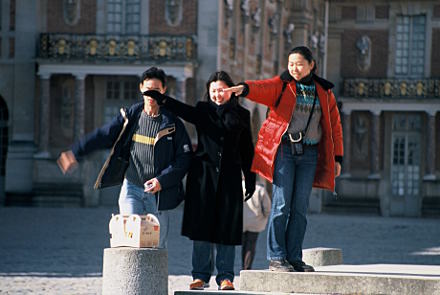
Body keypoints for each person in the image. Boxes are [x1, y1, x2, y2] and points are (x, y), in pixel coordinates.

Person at [225, 46, 343, 272]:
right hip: (285, 151)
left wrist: (338, 157)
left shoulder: (325, 92)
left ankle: (294, 256)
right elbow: (263, 88)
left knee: (300, 207)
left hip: (309, 154)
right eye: (291, 64)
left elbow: (335, 127)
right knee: (281, 205)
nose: (294, 68)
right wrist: (245, 88)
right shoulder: (282, 85)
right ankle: (276, 258)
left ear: (311, 65)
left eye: (299, 64)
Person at [57, 67, 193, 249]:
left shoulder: (173, 123)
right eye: (148, 90)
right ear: (141, 88)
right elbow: (103, 135)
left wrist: (162, 180)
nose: (151, 95)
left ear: (163, 91)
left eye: (156, 90)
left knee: (156, 246)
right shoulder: (131, 117)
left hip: (159, 194)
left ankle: (153, 278)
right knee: (131, 241)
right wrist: (76, 151)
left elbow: (183, 159)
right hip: (132, 189)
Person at [144, 71, 256, 291]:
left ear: (231, 91)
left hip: (230, 176)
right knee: (202, 226)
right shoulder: (203, 110)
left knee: (226, 226)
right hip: (203, 175)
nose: (217, 94)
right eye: (213, 90)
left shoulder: (242, 114)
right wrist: (162, 99)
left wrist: (250, 179)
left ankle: (225, 276)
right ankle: (200, 275)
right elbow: (184, 111)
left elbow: (247, 149)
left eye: (222, 90)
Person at [242, 180, 271, 270]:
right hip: (256, 221)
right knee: (251, 245)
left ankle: (243, 265)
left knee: (244, 244)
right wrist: (264, 217)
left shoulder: (239, 185)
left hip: (241, 221)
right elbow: (267, 207)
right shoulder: (260, 189)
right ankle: (247, 266)